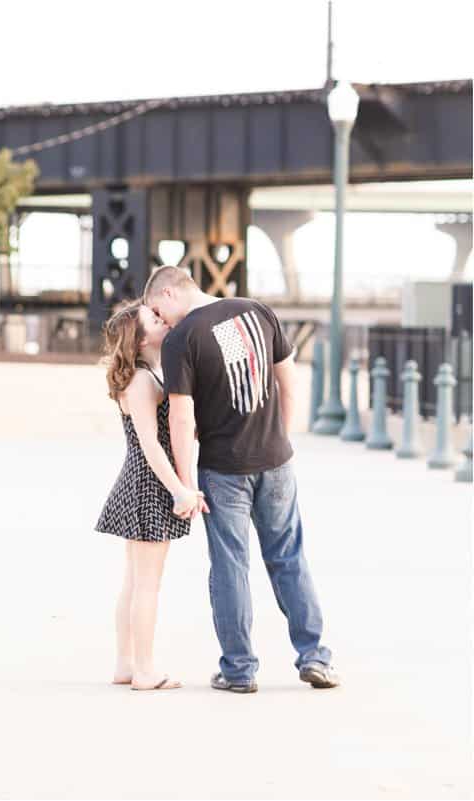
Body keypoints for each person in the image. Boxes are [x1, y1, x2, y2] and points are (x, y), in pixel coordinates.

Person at [143, 265, 339, 694]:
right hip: (275, 462)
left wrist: (185, 482)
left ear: (172, 293)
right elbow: (285, 381)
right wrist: (281, 441)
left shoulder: (183, 339)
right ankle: (314, 657)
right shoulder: (254, 312)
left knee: (231, 566)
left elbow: (181, 415)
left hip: (223, 470)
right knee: (289, 559)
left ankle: (239, 670)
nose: (162, 321)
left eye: (159, 310)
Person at [94, 299, 205, 692]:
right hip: (148, 485)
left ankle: (126, 664)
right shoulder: (142, 381)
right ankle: (144, 669)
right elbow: (149, 445)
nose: (162, 320)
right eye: (154, 320)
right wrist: (180, 490)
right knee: (147, 586)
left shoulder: (146, 374)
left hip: (140, 482)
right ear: (140, 341)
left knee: (134, 581)